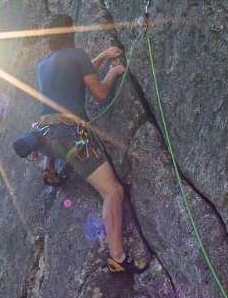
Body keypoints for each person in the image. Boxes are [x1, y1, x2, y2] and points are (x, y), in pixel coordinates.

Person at [31, 14, 147, 274]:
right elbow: (100, 92)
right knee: (113, 192)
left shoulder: (43, 64)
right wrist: (114, 72)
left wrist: (104, 56)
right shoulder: (76, 54)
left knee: (57, 142)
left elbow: (73, 75)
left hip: (47, 134)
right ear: (70, 32)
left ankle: (50, 170)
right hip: (72, 136)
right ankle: (118, 258)